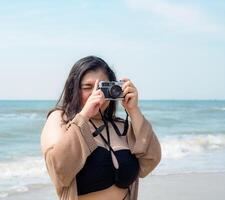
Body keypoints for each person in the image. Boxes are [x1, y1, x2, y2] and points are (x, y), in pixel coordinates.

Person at [40, 56, 161, 200]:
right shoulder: (60, 119)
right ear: (74, 90)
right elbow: (59, 171)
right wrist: (84, 116)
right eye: (87, 87)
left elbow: (150, 161)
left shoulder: (121, 126)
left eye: (102, 87)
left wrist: (133, 110)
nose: (95, 94)